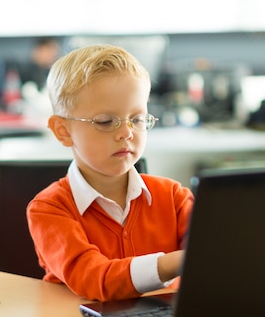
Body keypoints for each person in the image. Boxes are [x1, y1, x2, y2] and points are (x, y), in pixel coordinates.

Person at [26, 44, 194, 302]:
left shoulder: (174, 197)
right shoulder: (49, 209)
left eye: (137, 119)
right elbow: (94, 279)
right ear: (63, 130)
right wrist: (178, 261)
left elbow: (214, 260)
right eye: (105, 122)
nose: (127, 132)